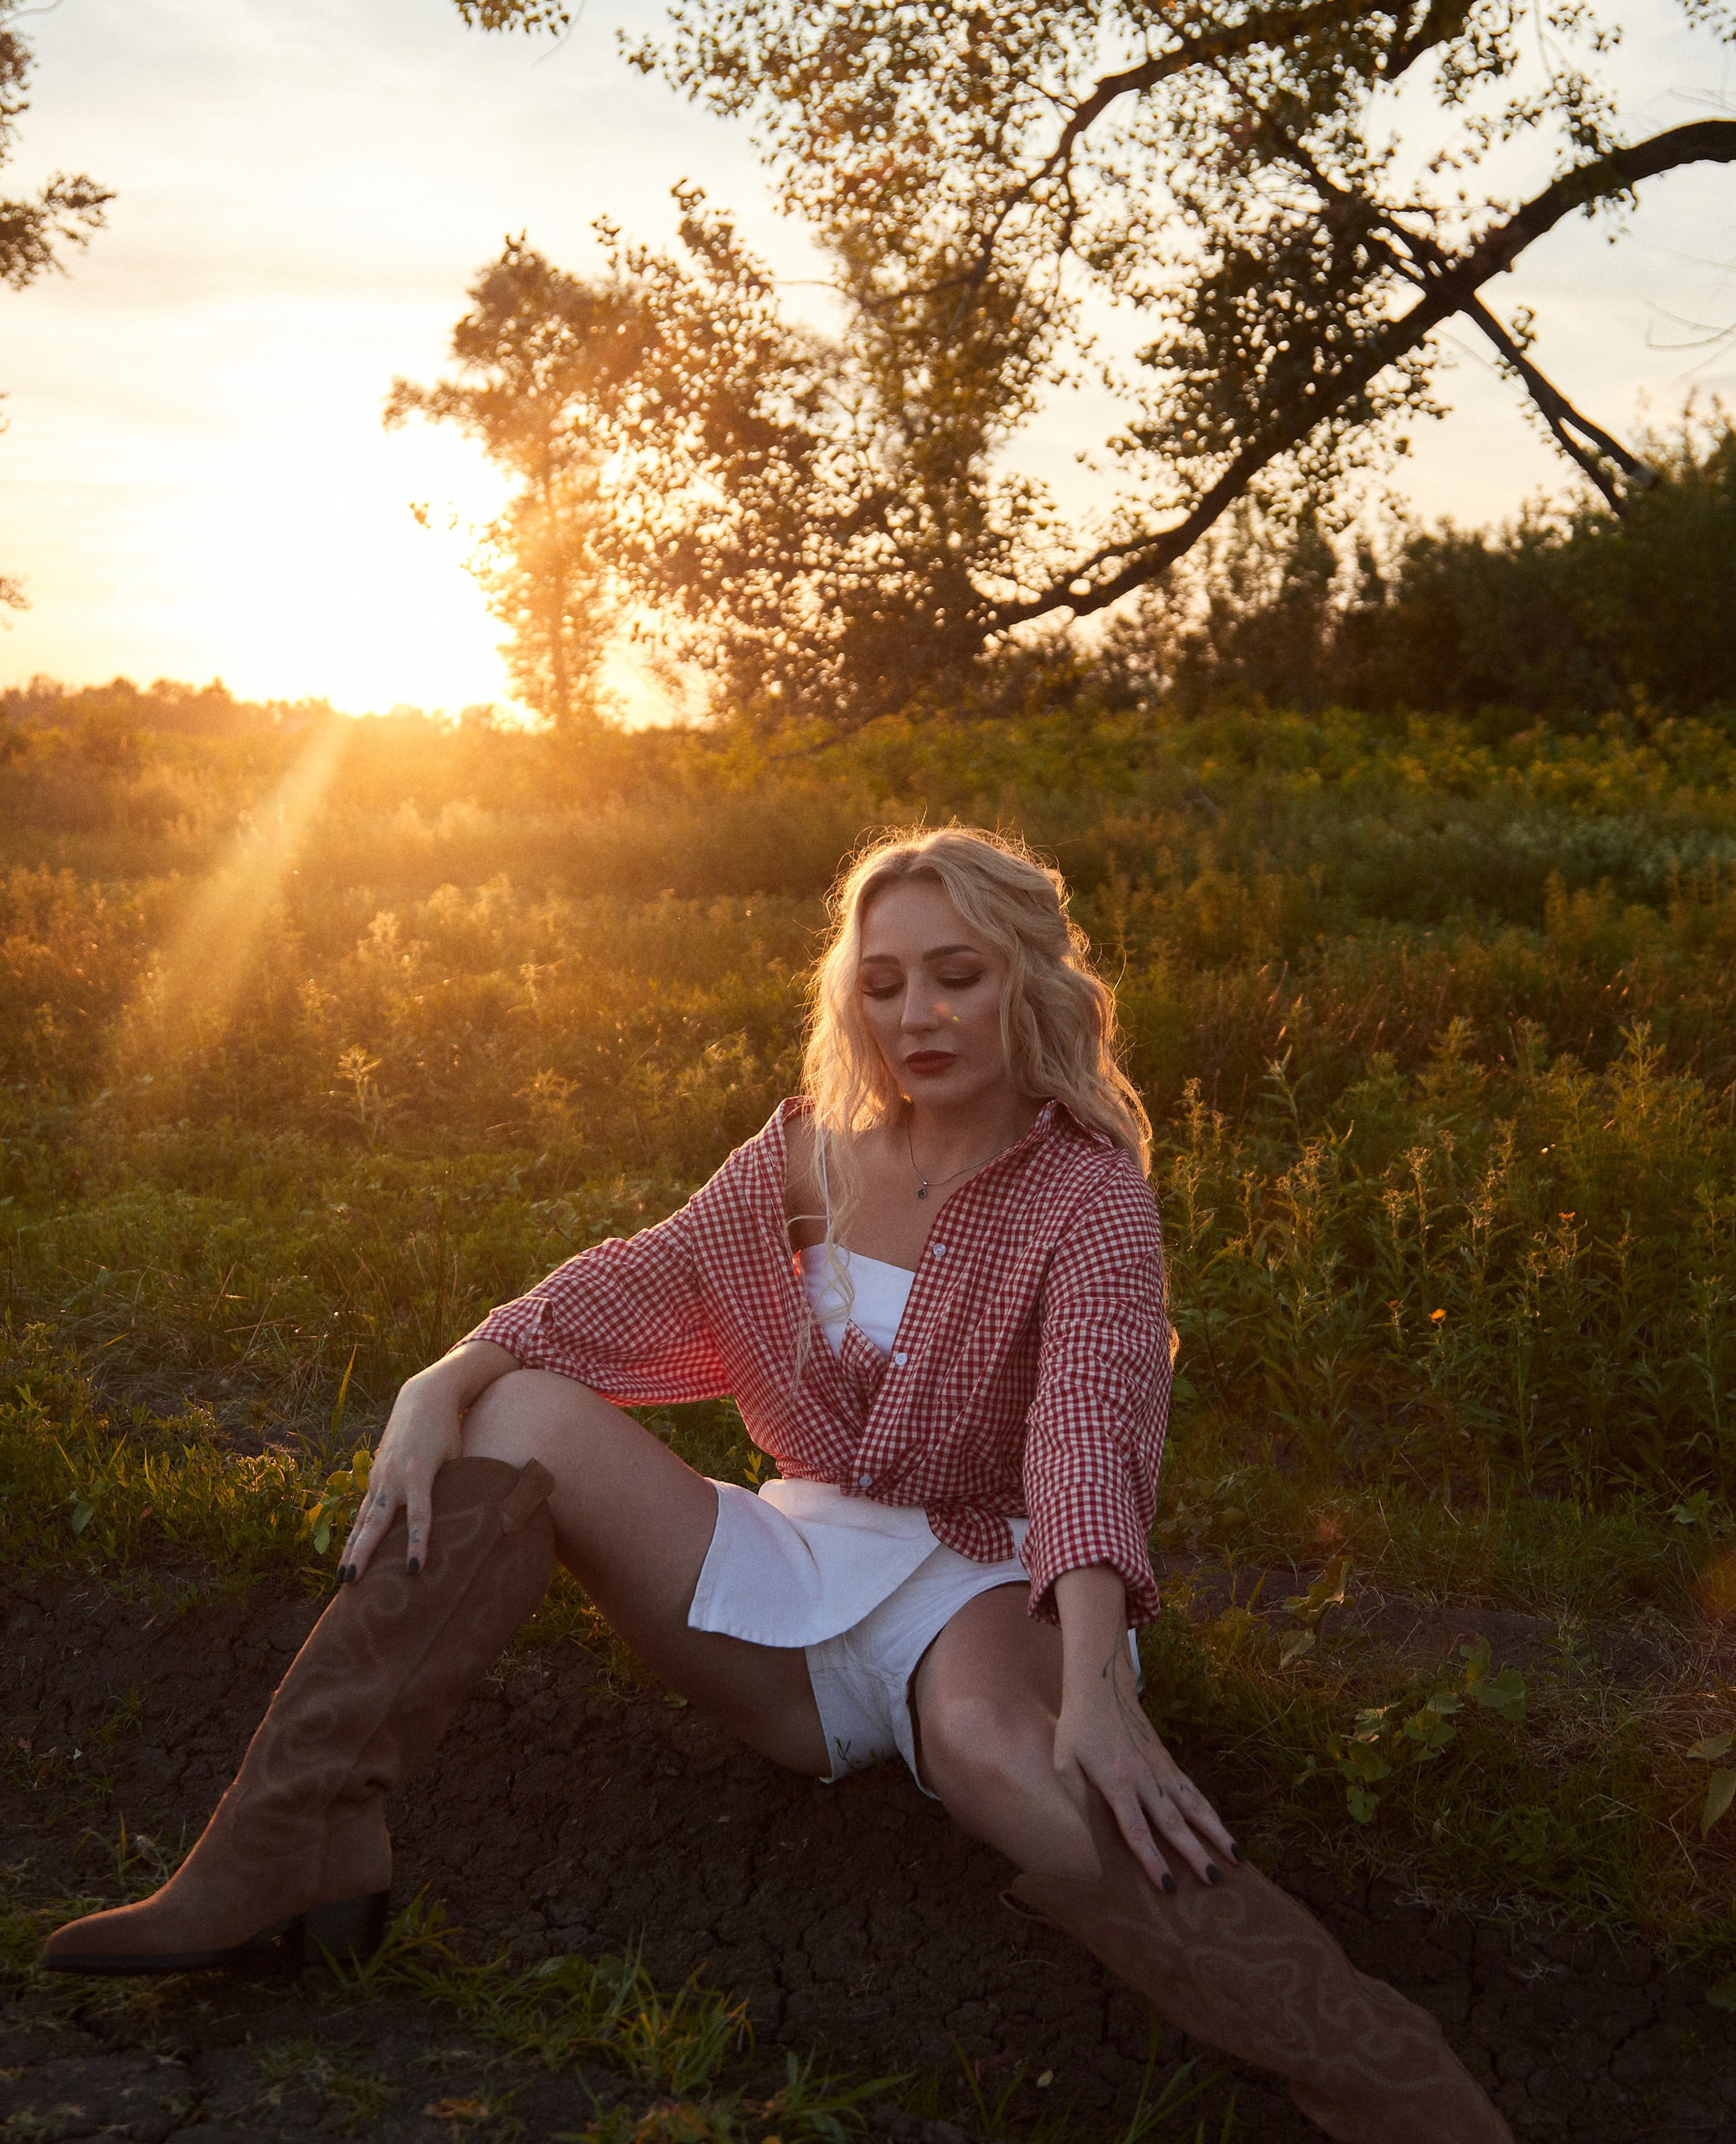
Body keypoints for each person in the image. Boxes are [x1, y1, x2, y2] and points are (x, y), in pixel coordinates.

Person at [41, 827, 1510, 2144]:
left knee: (1008, 1754)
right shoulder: (798, 1161)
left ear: (1026, 983)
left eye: (957, 976)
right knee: (526, 1410)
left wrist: (1100, 1692)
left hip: (997, 1575)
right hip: (800, 1570)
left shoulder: (1089, 1197)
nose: (919, 1016)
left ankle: (1398, 2089)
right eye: (885, 985)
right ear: (848, 999)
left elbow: (1087, 1437)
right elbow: (617, 1293)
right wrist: (442, 1380)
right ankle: (296, 1834)